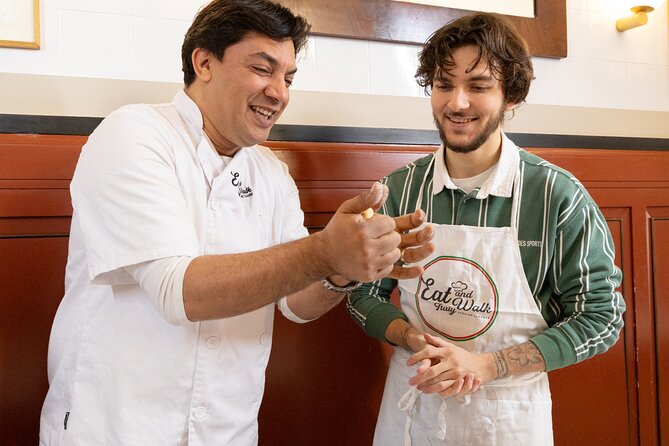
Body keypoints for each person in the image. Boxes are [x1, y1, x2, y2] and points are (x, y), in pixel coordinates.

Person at [38, 1, 435, 444]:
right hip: (119, 427)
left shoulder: (270, 174)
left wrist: (340, 272)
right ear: (204, 62)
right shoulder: (133, 135)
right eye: (263, 69)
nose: (279, 93)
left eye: (287, 78)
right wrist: (325, 250)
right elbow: (178, 291)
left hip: (227, 430)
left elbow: (296, 304)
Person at [347, 12, 625, 446]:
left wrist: (486, 365)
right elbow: (363, 293)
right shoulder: (400, 190)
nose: (457, 103)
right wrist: (413, 338)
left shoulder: (557, 196)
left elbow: (602, 317)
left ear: (510, 95)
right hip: (413, 411)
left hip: (510, 418)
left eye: (478, 86)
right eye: (443, 84)